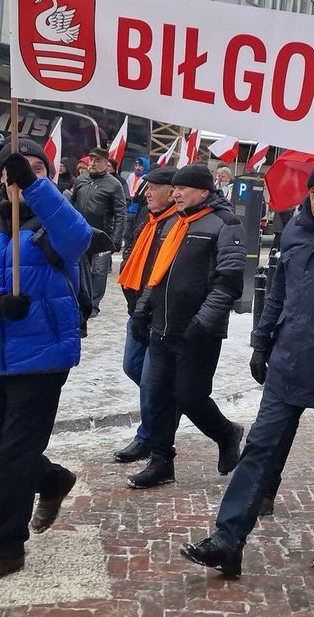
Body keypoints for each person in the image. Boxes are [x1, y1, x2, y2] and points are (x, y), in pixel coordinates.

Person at [179, 160, 314, 578]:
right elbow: (279, 291)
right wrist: (261, 342)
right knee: (259, 451)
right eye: (313, 193)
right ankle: (228, 539)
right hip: (289, 360)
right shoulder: (297, 226)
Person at [0, 147, 92, 586]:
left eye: (38, 170)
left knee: (14, 455)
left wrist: (34, 186)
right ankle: (52, 480)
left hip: (44, 356)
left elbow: (78, 238)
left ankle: (7, 547)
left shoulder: (55, 222)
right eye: (19, 171)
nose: (26, 176)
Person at [126, 165, 247, 488]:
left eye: (183, 189)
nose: (175, 194)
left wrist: (202, 323)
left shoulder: (225, 223)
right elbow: (158, 274)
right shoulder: (175, 224)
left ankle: (226, 433)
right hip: (162, 328)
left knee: (190, 397)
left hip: (198, 333)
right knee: (157, 397)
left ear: (204, 192)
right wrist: (141, 312)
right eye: (175, 188)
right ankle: (162, 461)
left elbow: (229, 282)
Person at [112, 165, 177, 464]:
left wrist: (145, 308)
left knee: (152, 381)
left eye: (153, 187)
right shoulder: (147, 216)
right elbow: (132, 248)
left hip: (157, 313)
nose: (147, 192)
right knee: (132, 366)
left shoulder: (178, 221)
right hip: (135, 306)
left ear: (172, 191)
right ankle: (168, 406)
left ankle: (148, 436)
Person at [70, 147, 127, 318]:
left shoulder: (114, 184)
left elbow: (120, 213)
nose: (93, 164)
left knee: (99, 272)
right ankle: (80, 300)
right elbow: (72, 207)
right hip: (81, 233)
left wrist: (116, 239)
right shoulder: (80, 180)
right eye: (91, 160)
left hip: (103, 235)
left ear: (105, 163)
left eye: (97, 160)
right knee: (79, 268)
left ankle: (94, 305)